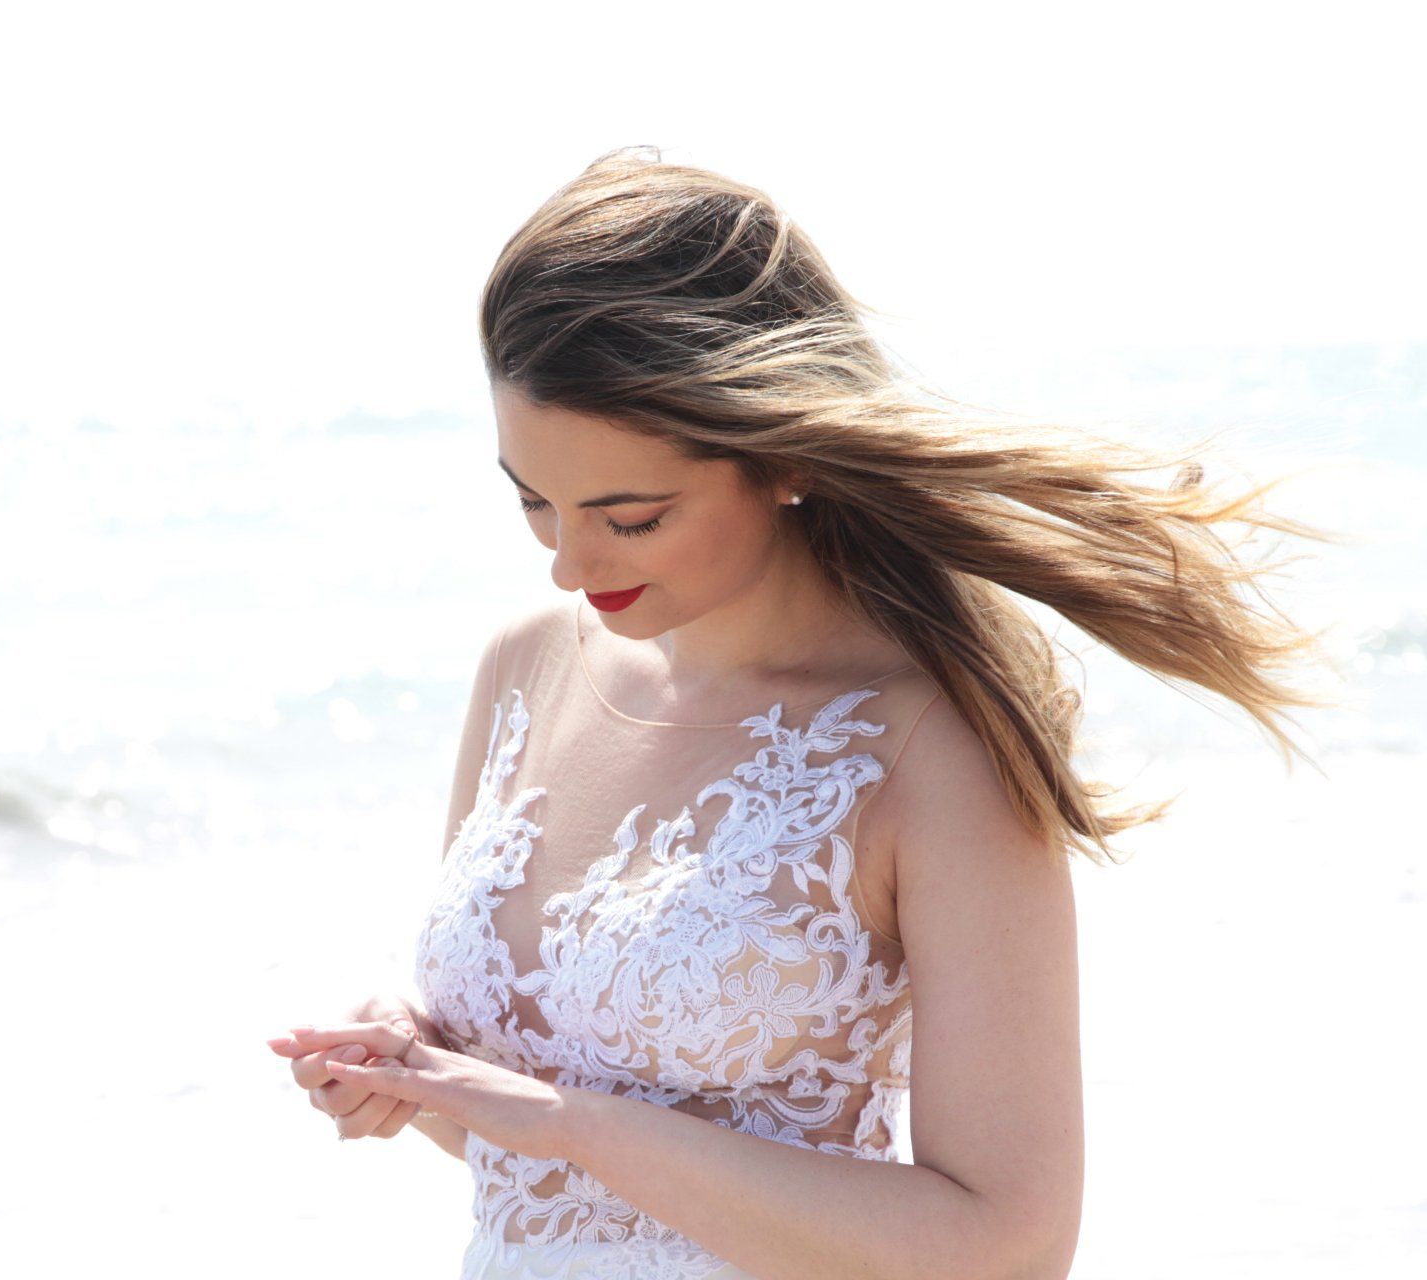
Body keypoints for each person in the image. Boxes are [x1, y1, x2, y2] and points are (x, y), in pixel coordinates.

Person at [265, 146, 1339, 1280]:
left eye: (628, 517)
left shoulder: (927, 746)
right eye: (534, 500)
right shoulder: (524, 668)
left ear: (780, 458)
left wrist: (561, 1116)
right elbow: (529, 1162)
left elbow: (1009, 1244)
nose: (569, 565)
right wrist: (411, 1068)